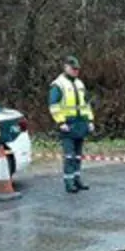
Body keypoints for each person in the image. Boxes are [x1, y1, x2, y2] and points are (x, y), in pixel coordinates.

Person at [48, 55, 95, 193]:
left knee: (78, 155)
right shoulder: (58, 85)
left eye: (77, 69)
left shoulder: (80, 84)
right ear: (66, 67)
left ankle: (77, 179)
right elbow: (54, 106)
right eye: (73, 69)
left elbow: (86, 105)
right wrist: (61, 122)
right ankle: (69, 182)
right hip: (68, 125)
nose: (76, 71)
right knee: (69, 156)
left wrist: (90, 121)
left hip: (81, 124)